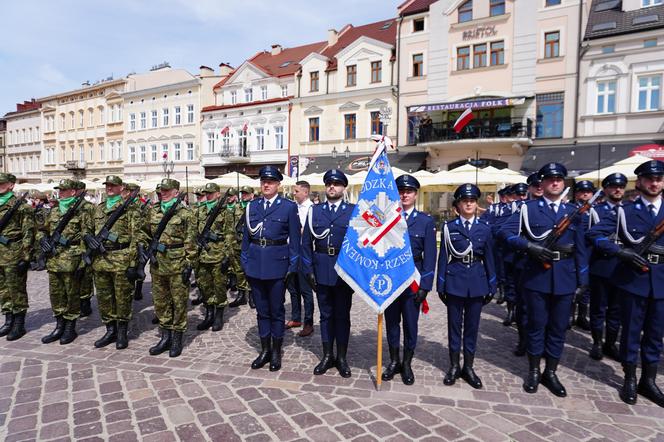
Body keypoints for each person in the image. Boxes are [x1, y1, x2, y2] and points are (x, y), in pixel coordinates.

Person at [500, 163, 589, 397]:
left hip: (565, 278)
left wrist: (583, 281)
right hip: (536, 277)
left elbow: (581, 249)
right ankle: (534, 371)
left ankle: (551, 372)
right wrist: (529, 246)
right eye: (550, 179)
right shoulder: (527, 209)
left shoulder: (573, 212)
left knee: (558, 328)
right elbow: (504, 233)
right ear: (542, 183)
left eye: (559, 178)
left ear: (564, 182)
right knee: (535, 326)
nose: (555, 182)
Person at [587, 160, 664, 407]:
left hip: (662, 280)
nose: (654, 183)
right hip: (633, 279)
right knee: (630, 330)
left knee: (655, 334)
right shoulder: (624, 211)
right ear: (639, 182)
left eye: (659, 179)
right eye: (649, 179)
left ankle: (648, 381)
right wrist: (619, 252)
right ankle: (630, 378)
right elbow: (594, 234)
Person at [437, 184, 496, 389]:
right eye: (464, 200)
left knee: (472, 328)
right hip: (455, 281)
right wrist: (440, 285)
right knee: (454, 327)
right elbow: (443, 258)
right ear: (458, 205)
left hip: (477, 282)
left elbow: (490, 259)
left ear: (476, 204)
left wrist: (492, 284)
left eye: (472, 200)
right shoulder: (449, 228)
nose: (469, 203)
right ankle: (454, 366)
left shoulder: (485, 229)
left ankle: (468, 367)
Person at [241, 166, 300, 372]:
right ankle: (264, 350)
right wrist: (245, 264)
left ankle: (276, 351)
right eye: (263, 181)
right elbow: (246, 240)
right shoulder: (252, 207)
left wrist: (292, 267)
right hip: (255, 265)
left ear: (278, 185)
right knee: (261, 311)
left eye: (271, 182)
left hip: (278, 264)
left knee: (276, 310)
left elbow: (295, 241)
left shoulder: (288, 207)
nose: (266, 184)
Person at [382, 175, 436, 385]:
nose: (405, 194)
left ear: (415, 194)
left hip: (413, 279)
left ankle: (407, 364)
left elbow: (430, 257)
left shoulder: (425, 221)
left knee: (411, 326)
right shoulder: (386, 218)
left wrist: (425, 285)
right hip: (391, 278)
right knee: (392, 323)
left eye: (409, 191)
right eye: (401, 190)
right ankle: (394, 361)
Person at [301, 169, 355, 377]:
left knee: (342, 315)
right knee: (325, 315)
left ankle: (341, 357)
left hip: (344, 271)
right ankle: (327, 355)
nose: (332, 187)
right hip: (321, 268)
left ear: (344, 188)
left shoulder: (353, 211)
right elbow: (306, 244)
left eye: (337, 184)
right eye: (329, 184)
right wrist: (308, 270)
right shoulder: (315, 211)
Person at [140, 178, 197, 357]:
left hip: (177, 263)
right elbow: (144, 232)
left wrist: (190, 264)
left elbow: (192, 241)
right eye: (160, 190)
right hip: (158, 264)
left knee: (179, 302)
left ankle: (177, 338)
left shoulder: (186, 213)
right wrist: (142, 246)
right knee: (161, 301)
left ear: (175, 191)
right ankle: (165, 336)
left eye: (166, 190)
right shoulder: (153, 211)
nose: (162, 193)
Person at [85, 176, 139, 350]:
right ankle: (110, 330)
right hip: (100, 260)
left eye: (113, 185)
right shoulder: (97, 209)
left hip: (120, 258)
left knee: (122, 298)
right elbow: (86, 229)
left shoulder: (130, 209)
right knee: (104, 297)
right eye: (107, 185)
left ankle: (122, 332)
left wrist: (133, 263)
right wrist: (88, 239)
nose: (109, 188)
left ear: (121, 187)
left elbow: (136, 238)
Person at [37, 179, 93, 345]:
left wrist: (83, 261)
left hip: (72, 258)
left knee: (71, 294)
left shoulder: (81, 210)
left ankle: (70, 327)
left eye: (64, 190)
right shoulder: (53, 211)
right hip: (54, 259)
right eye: (59, 190)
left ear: (73, 192)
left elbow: (87, 235)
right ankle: (59, 326)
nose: (60, 192)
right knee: (56, 294)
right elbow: (41, 230)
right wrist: (42, 240)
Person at [586, 173, 627, 361]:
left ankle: (610, 343)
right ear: (606, 189)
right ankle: (597, 343)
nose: (617, 190)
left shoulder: (628, 210)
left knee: (617, 309)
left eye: (621, 186)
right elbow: (588, 240)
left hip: (623, 266)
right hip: (601, 265)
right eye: (613, 186)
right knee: (598, 307)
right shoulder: (596, 211)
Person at [0, 173, 34, 341]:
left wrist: (25, 258)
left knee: (16, 290)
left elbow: (28, 233)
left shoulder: (21, 207)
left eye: (2, 183)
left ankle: (19, 324)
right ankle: (8, 321)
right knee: (3, 290)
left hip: (14, 252)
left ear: (11, 185)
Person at [195, 183, 230, 332]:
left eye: (211, 193)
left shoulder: (225, 212)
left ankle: (219, 315)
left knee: (219, 286)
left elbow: (230, 235)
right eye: (206, 193)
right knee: (204, 285)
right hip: (201, 255)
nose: (208, 195)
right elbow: (192, 232)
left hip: (217, 254)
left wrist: (227, 256)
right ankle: (209, 314)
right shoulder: (199, 210)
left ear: (217, 194)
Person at [286, 180, 315, 337]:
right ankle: (296, 317)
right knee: (293, 288)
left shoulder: (312, 209)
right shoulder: (292, 208)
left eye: (296, 191)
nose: (294, 193)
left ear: (305, 192)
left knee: (306, 290)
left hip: (304, 255)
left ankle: (309, 322)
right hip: (292, 253)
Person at [571, 179, 597, 331]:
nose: (585, 194)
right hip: (573, 252)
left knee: (586, 286)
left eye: (588, 192)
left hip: (590, 252)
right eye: (582, 191)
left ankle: (582, 315)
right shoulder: (571, 210)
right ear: (576, 194)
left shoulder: (596, 211)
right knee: (573, 284)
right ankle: (570, 315)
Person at [228, 187, 253, 308]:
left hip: (252, 245)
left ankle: (252, 294)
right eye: (242, 193)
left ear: (252, 194)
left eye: (246, 193)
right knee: (238, 270)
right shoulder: (235, 208)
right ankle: (242, 294)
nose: (243, 195)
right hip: (237, 244)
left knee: (251, 270)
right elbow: (230, 226)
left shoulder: (255, 206)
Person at [74, 180, 95, 318]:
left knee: (85, 276)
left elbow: (93, 227)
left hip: (86, 247)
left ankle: (85, 303)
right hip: (71, 249)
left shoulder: (89, 207)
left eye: (77, 189)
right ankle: (77, 303)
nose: (75, 192)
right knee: (75, 277)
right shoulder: (69, 205)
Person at [191, 187, 209, 306]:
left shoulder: (209, 210)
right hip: (196, 246)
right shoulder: (194, 209)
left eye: (200, 196)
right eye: (197, 196)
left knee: (206, 275)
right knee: (197, 272)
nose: (198, 198)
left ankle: (207, 298)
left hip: (208, 248)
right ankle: (201, 294)